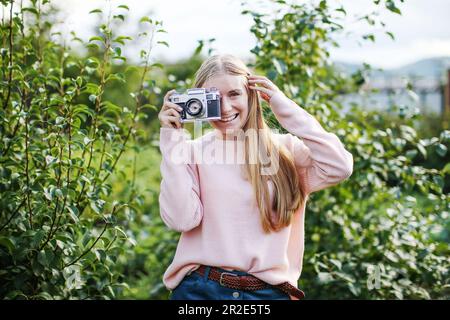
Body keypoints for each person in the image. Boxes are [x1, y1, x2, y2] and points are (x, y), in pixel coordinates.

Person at [157, 54, 353, 300]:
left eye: (234, 94)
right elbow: (181, 220)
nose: (225, 108)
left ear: (252, 94)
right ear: (197, 102)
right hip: (200, 291)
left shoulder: (285, 151)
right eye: (213, 99)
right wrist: (172, 138)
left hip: (269, 294)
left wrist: (284, 107)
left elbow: (340, 166)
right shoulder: (191, 152)